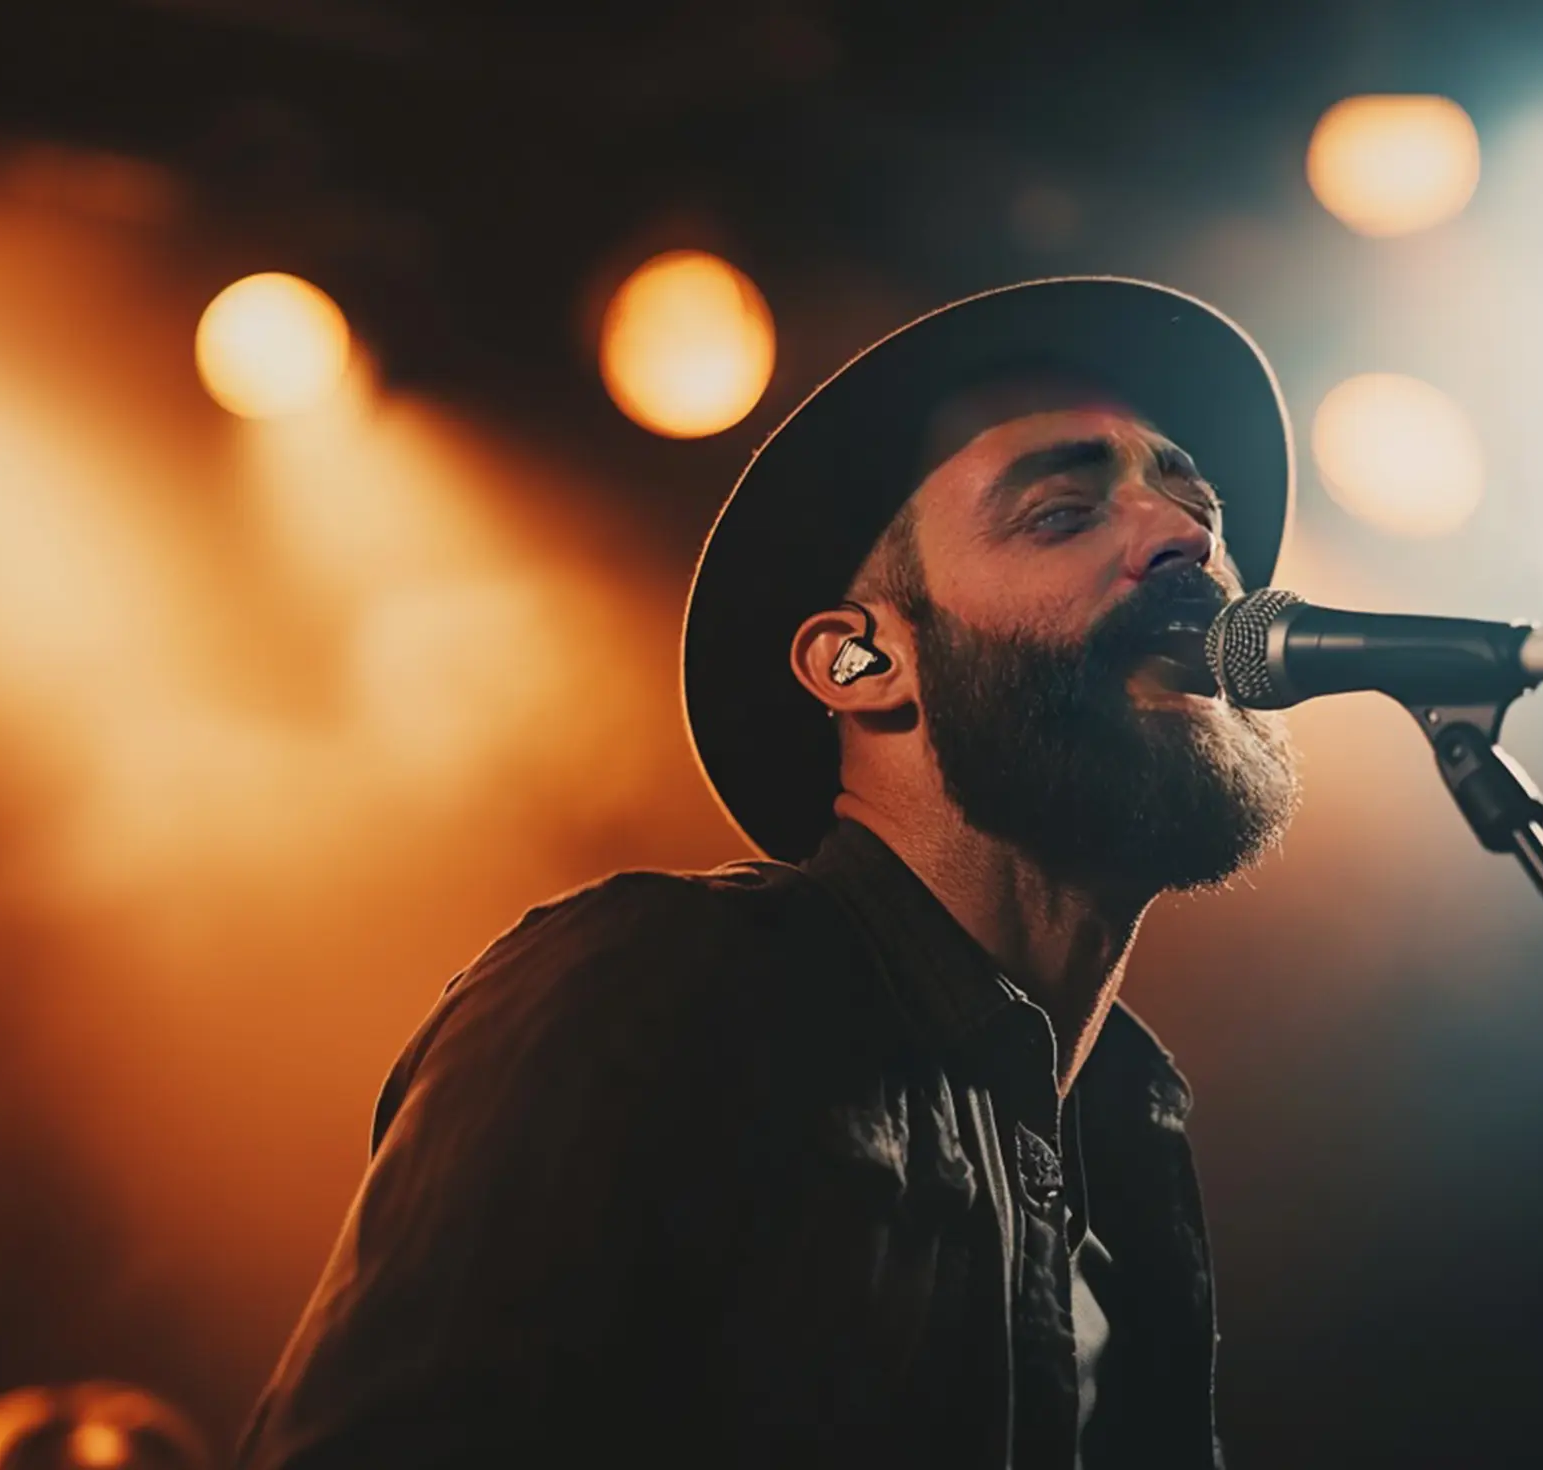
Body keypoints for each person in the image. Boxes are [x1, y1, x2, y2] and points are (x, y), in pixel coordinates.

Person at [238, 277, 1303, 1469]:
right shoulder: (657, 988)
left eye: (1195, 507)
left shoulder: (1127, 1147)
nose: (1189, 540)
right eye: (1059, 513)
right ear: (861, 663)